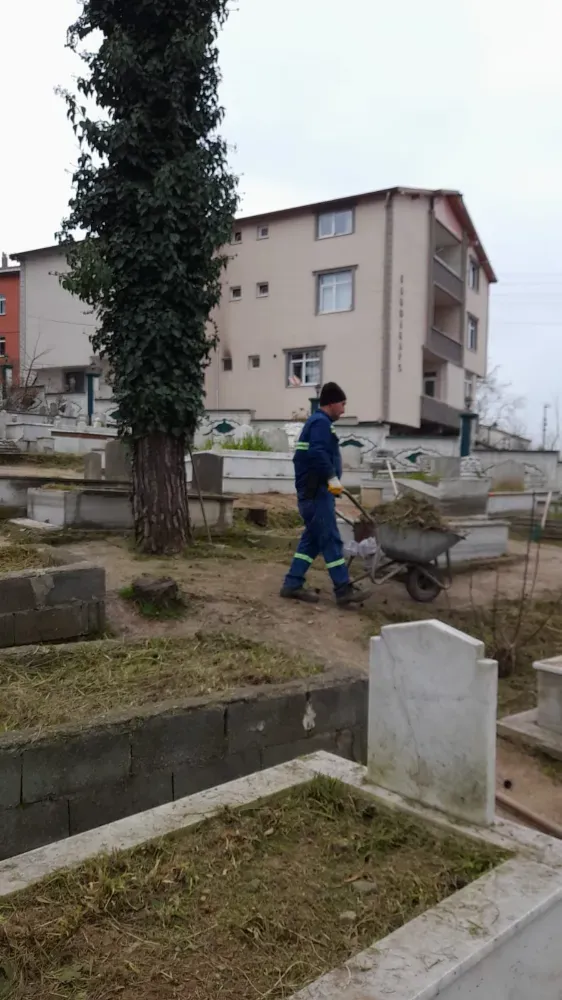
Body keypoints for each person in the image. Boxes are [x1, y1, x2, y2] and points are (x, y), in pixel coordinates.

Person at [281, 381, 366, 607]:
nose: (344, 409)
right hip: (316, 493)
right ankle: (343, 589)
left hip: (316, 493)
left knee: (312, 541)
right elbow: (317, 453)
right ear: (331, 403)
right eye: (342, 404)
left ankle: (292, 583)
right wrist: (331, 477)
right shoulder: (320, 422)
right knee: (330, 538)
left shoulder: (319, 422)